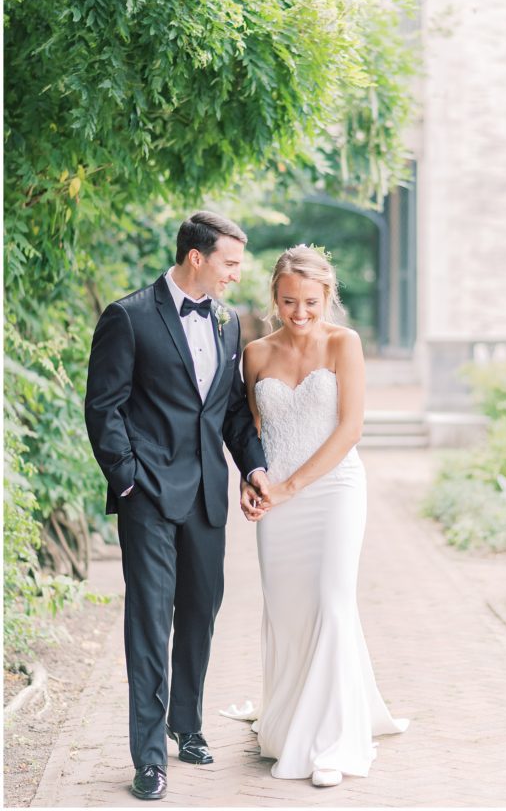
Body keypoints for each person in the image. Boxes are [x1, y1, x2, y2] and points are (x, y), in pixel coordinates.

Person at [85, 211, 269, 801]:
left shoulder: (226, 322)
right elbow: (104, 408)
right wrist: (128, 480)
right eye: (231, 263)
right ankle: (147, 757)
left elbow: (231, 410)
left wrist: (255, 465)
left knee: (200, 611)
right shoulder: (129, 317)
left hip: (206, 497)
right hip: (148, 497)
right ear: (198, 257)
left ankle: (185, 724)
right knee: (148, 622)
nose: (236, 276)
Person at [239, 244, 408, 788]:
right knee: (288, 612)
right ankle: (289, 725)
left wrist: (291, 486)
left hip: (333, 489)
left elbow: (350, 429)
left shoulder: (344, 344)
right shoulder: (256, 354)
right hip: (278, 504)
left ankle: (333, 742)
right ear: (275, 298)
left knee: (333, 603)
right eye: (289, 301)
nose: (300, 313)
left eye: (310, 301)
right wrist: (254, 481)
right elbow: (253, 435)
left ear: (327, 296)